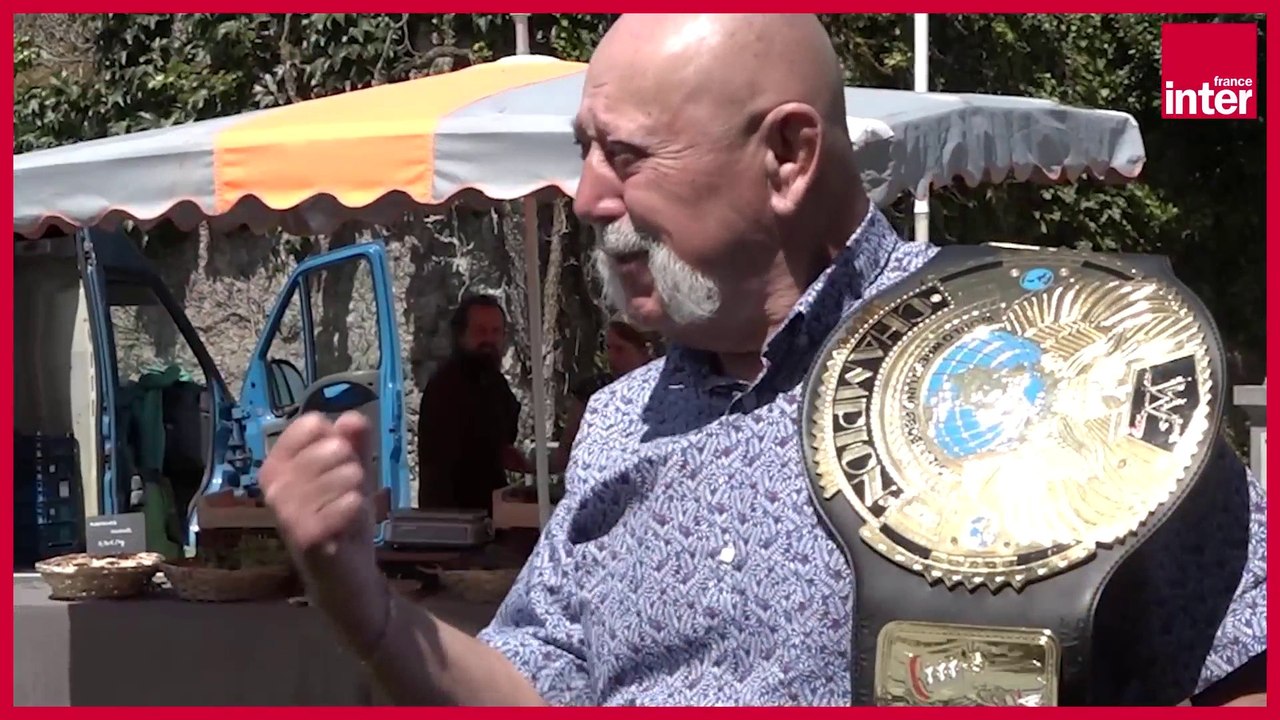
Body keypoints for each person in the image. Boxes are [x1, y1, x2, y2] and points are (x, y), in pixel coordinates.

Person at [257, 14, 1266, 706]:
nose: (588, 197)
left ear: (785, 157)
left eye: (627, 155)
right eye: (584, 151)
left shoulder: (1046, 358)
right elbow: (533, 688)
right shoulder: (617, 422)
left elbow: (1242, 666)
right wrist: (365, 604)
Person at [416, 294, 528, 512]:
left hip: (490, 513)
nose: (489, 340)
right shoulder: (446, 386)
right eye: (480, 332)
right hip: (453, 519)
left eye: (496, 332)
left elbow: (505, 438)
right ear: (461, 336)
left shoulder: (493, 381)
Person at [546, 320, 655, 474]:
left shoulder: (663, 394)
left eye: (620, 349)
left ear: (645, 351)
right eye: (608, 348)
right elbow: (567, 448)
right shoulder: (593, 391)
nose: (611, 357)